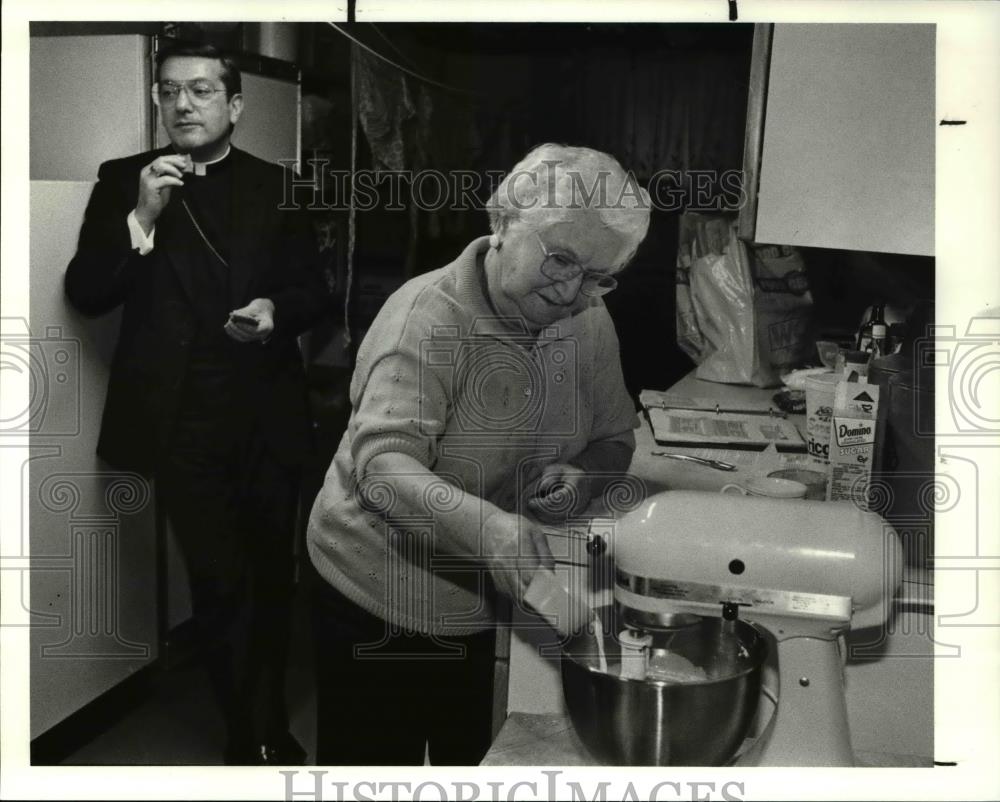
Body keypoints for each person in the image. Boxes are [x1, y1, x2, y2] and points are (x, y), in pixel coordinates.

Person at [306, 144, 650, 765]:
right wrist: (490, 527)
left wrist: (587, 475)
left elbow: (616, 436)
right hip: (378, 587)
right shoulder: (428, 316)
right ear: (503, 222)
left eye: (597, 275)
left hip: (483, 590)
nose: (573, 289)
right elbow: (382, 468)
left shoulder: (587, 316)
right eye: (560, 259)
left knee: (471, 761)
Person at [64, 42, 329, 764]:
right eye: (170, 92)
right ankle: (252, 740)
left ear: (234, 106)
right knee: (220, 583)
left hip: (266, 417)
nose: (183, 104)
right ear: (158, 102)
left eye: (202, 90)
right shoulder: (125, 180)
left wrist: (278, 309)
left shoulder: (280, 185)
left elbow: (316, 291)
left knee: (272, 576)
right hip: (181, 425)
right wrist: (141, 218)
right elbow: (87, 295)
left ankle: (268, 715)